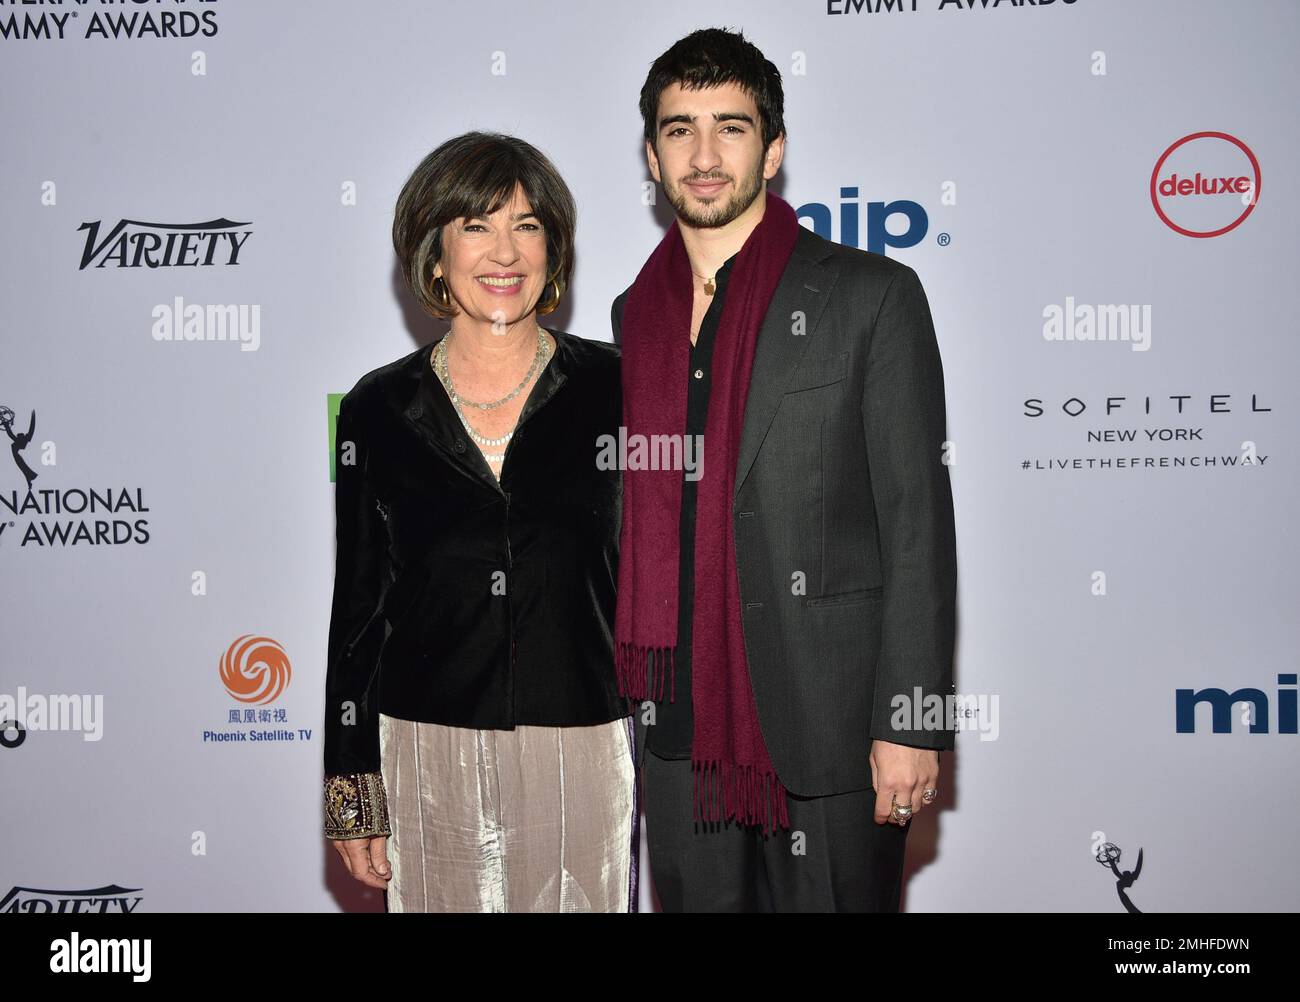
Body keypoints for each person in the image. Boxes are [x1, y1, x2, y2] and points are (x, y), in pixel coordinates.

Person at [611, 28, 958, 911]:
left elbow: (916, 522)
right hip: (679, 733)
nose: (703, 153)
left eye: (731, 126)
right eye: (679, 129)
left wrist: (910, 722)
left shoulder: (869, 294)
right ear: (651, 156)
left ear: (774, 147)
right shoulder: (633, 316)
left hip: (833, 726)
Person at [323, 132, 636, 912]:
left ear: (554, 250)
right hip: (425, 744)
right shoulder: (378, 407)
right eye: (477, 225)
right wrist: (352, 793)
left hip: (584, 739)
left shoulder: (620, 389)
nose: (505, 251)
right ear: (435, 253)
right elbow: (358, 608)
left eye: (527, 226)